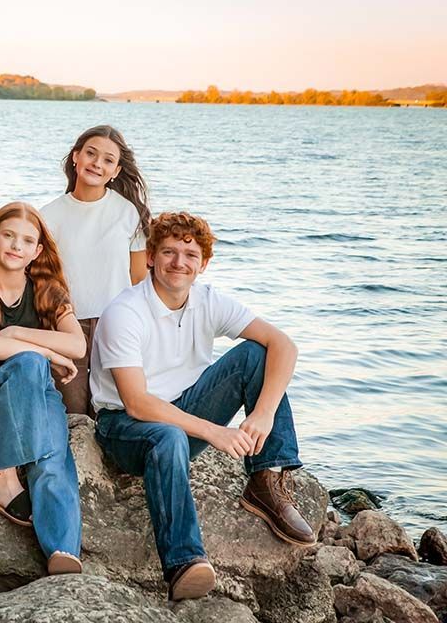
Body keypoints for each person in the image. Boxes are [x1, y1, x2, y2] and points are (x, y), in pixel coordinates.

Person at [90, 211, 316, 601]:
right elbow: (137, 402)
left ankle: (267, 477)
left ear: (203, 264)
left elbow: (284, 345)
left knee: (254, 354)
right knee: (168, 437)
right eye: (169, 252)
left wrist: (261, 414)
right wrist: (214, 432)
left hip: (185, 407)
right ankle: (183, 564)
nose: (180, 262)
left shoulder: (209, 302)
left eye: (190, 255)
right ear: (150, 257)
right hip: (124, 427)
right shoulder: (124, 312)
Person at [0, 202, 86, 575]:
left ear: (37, 251)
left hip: (38, 396)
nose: (16, 245)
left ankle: (62, 550)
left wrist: (14, 333)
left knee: (51, 454)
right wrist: (45, 351)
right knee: (28, 363)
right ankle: (2, 477)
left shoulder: (48, 290)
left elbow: (77, 347)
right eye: (8, 235)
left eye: (27, 240)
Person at [40, 125, 151, 416]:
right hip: (66, 325)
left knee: (113, 409)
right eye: (90, 153)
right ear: (75, 157)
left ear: (115, 171)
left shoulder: (128, 213)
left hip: (115, 324)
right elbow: (41, 279)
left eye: (108, 160)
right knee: (73, 413)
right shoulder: (48, 215)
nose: (97, 164)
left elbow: (139, 278)